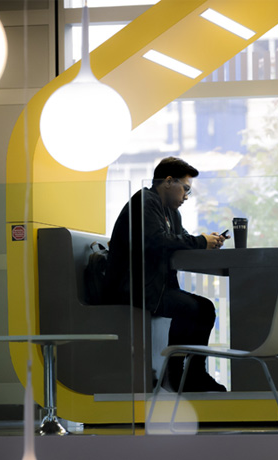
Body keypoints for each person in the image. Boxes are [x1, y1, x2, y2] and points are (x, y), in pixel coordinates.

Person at [105, 157, 228, 392]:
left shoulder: (172, 213)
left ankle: (192, 373)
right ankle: (176, 373)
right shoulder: (144, 201)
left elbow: (178, 240)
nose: (186, 196)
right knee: (191, 308)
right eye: (185, 188)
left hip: (156, 286)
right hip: (133, 288)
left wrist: (206, 241)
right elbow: (158, 241)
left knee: (205, 308)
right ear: (169, 182)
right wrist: (201, 241)